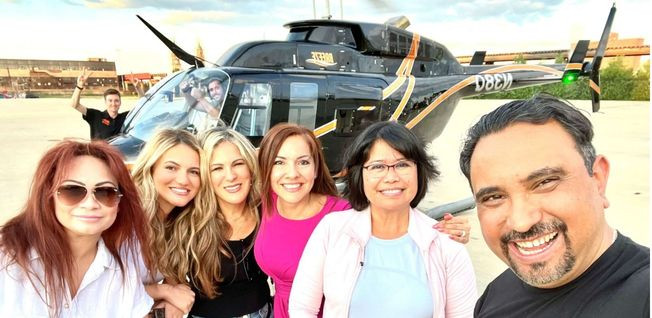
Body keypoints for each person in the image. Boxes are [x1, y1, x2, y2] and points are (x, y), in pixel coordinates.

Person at [458, 95, 650, 317]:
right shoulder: (496, 294)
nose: (521, 222)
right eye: (493, 197)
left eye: (545, 183)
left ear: (597, 179)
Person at [255, 123, 470, 318]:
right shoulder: (333, 229)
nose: (391, 177)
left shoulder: (446, 244)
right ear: (360, 174)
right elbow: (303, 306)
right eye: (377, 166)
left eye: (402, 164)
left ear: (419, 171)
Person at [0, 140, 154, 316]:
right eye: (72, 190)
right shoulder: (7, 261)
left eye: (106, 192)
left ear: (120, 203)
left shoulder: (124, 275)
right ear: (49, 196)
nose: (90, 204)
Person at [187, 127, 272, 318]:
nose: (231, 175)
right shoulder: (189, 222)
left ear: (250, 166)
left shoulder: (268, 212)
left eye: (238, 163)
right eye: (217, 168)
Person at [131, 128, 208, 317]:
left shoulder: (177, 222)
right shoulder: (126, 217)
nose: (183, 180)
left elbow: (174, 276)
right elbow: (106, 289)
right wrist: (165, 292)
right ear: (151, 168)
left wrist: (173, 290)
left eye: (194, 171)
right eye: (171, 167)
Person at [70, 67, 144, 140]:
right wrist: (79, 86)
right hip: (98, 152)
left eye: (116, 100)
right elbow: (74, 105)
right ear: (105, 102)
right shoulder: (95, 116)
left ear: (120, 102)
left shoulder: (125, 117)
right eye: (110, 100)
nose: (113, 103)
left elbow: (142, 106)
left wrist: (138, 88)